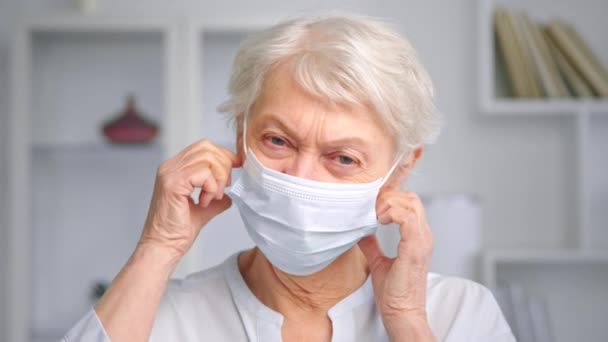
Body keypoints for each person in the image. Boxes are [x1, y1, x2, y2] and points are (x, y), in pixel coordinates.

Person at [63, 14, 515, 342]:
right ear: (241, 137)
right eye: (278, 141)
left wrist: (406, 320)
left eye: (342, 158)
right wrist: (157, 248)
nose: (301, 180)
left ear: (401, 168)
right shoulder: (162, 317)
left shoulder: (459, 314)